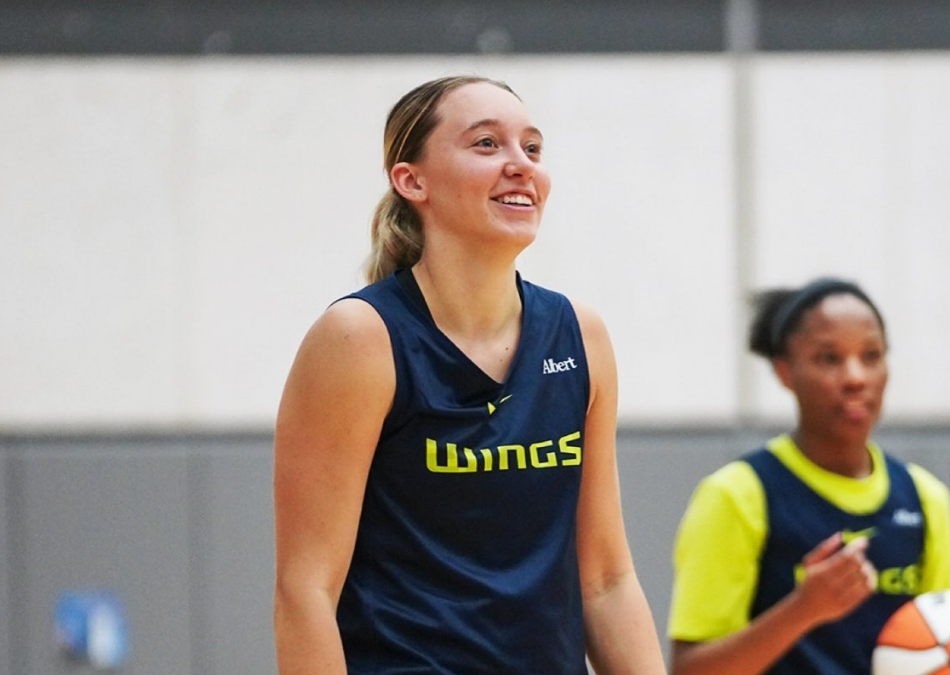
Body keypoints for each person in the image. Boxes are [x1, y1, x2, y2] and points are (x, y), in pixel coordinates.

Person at [272, 75, 666, 675]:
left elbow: (606, 582)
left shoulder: (579, 335)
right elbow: (306, 593)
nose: (520, 166)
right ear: (412, 180)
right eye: (487, 144)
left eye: (532, 148)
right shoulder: (360, 338)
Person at [667, 277, 950, 675]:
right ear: (785, 372)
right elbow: (691, 670)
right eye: (829, 358)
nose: (856, 377)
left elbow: (944, 649)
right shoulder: (738, 494)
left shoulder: (926, 498)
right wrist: (805, 609)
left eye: (871, 356)